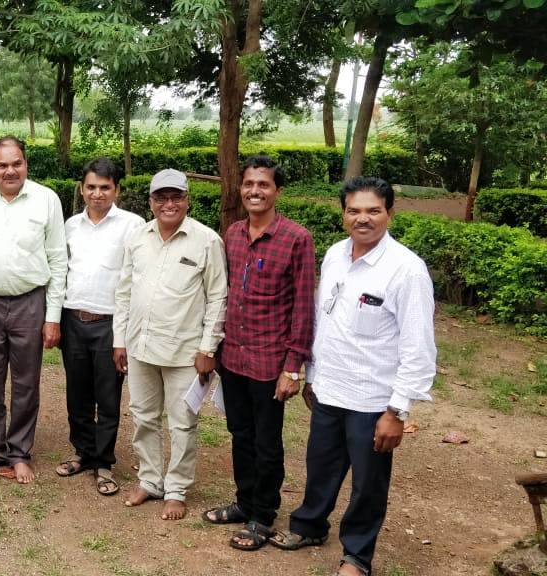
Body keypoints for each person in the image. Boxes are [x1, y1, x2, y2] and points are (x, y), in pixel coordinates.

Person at [271, 177, 436, 576]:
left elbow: (418, 348)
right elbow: (325, 320)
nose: (363, 219)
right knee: (321, 466)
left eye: (373, 210)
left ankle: (358, 556)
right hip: (329, 390)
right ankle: (309, 526)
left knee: (368, 483)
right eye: (354, 210)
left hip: (373, 400)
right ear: (344, 214)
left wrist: (397, 411)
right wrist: (313, 375)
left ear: (390, 213)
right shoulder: (334, 255)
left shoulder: (406, 271)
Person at [205, 156, 316, 552]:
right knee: (240, 434)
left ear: (277, 191)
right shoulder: (233, 234)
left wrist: (293, 367)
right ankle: (244, 501)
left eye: (263, 185)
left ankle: (263, 516)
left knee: (267, 442)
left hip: (270, 362)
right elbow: (225, 293)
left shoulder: (296, 239)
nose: (255, 191)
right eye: (249, 184)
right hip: (234, 358)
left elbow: (303, 307)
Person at [114, 169, 227, 518]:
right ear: (151, 201)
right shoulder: (137, 237)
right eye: (161, 197)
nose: (169, 204)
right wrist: (119, 340)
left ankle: (176, 488)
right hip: (140, 346)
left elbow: (218, 297)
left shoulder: (206, 241)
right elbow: (124, 291)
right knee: (143, 417)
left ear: (187, 199)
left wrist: (208, 349)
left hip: (185, 351)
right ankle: (150, 480)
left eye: (176, 196)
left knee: (182, 423)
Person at [0, 136, 68, 484]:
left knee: (26, 382)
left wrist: (53, 317)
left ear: (26, 164)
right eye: (3, 165)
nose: (10, 171)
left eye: (16, 163)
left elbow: (58, 259)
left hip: (30, 302)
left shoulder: (46, 199)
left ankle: (19, 452)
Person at [54, 158, 144, 496]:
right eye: (91, 187)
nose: (97, 193)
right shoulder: (70, 226)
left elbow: (135, 278)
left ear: (117, 190)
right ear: (82, 189)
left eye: (105, 187)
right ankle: (83, 452)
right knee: (77, 394)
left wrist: (124, 334)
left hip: (110, 323)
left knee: (107, 397)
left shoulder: (133, 226)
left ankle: (104, 462)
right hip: (74, 319)